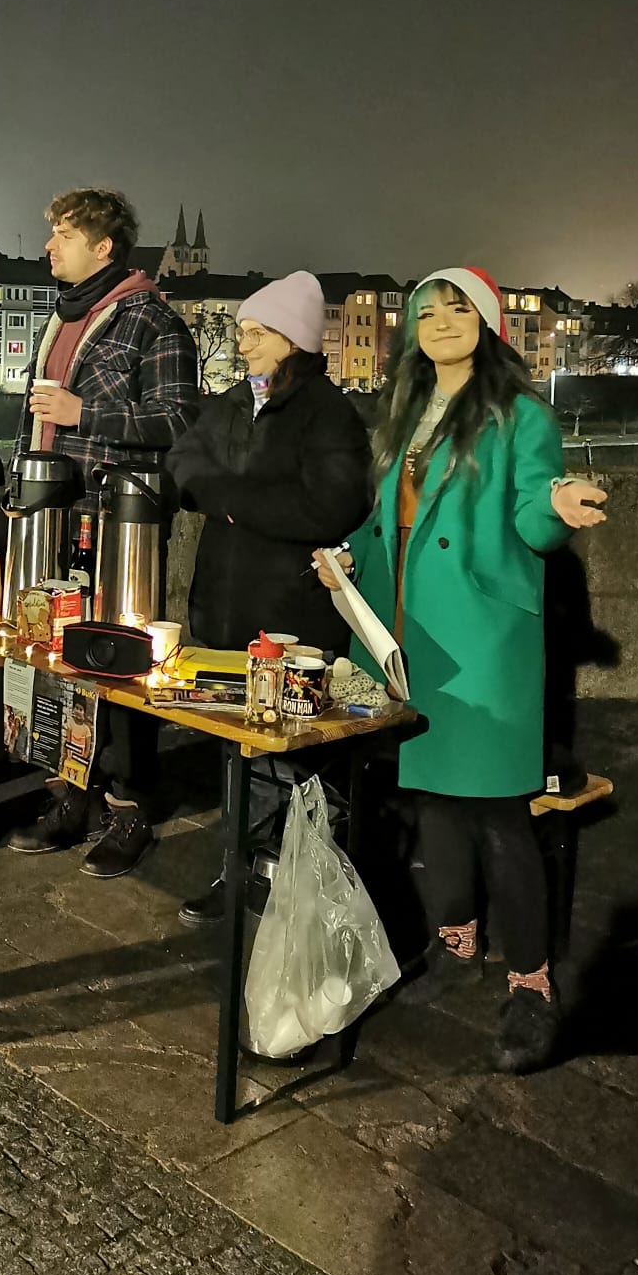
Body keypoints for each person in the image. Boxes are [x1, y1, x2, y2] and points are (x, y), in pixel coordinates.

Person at [314, 267, 607, 1076]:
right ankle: (456, 944)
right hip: (408, 631)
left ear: (487, 322)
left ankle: (532, 985)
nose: (441, 321)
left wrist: (559, 502)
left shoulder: (520, 414)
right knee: (434, 801)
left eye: (458, 308)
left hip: (478, 638)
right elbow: (388, 519)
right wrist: (348, 558)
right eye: (427, 312)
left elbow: (532, 509)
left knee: (499, 815)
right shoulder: (403, 411)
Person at [167, 272, 373, 926]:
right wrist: (221, 492)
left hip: (291, 616)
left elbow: (330, 505)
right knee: (240, 752)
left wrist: (230, 501)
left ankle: (297, 879)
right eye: (242, 332)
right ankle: (240, 869)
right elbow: (182, 458)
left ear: (293, 339)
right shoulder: (236, 401)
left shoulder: (329, 414)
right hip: (225, 606)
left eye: (256, 333)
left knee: (296, 758)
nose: (243, 344)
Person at [9, 187, 199, 878]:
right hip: (52, 515)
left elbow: (179, 420)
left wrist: (84, 412)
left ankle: (130, 806)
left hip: (119, 524)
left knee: (122, 661)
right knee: (55, 658)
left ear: (103, 246)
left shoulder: (154, 321)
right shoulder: (64, 316)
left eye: (63, 235)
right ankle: (70, 795)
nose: (48, 247)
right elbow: (35, 418)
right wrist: (18, 488)